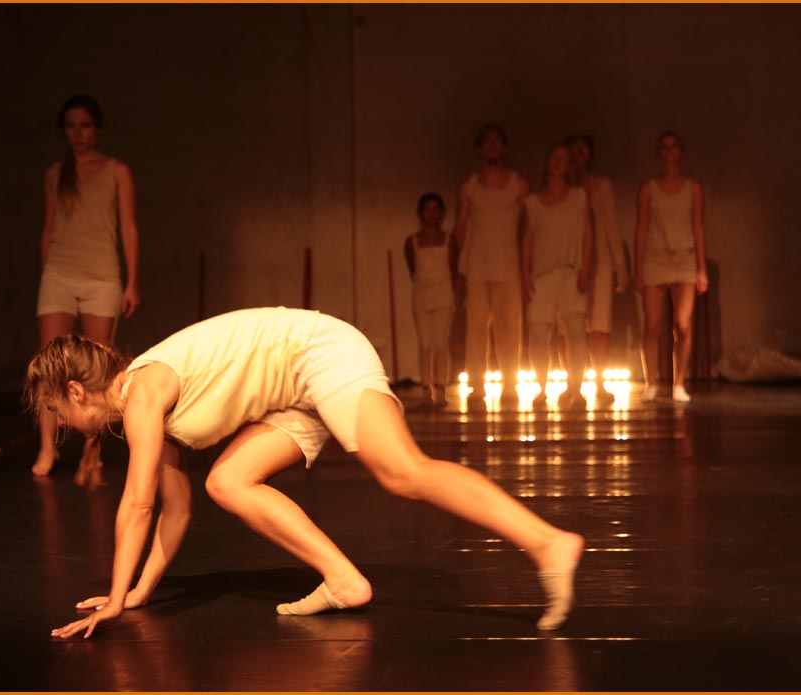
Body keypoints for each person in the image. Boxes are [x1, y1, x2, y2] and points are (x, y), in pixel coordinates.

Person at [29, 307, 584, 639]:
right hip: (291, 397)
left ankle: (547, 542)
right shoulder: (147, 412)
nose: (61, 423)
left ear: (75, 390)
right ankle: (343, 580)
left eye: (56, 410)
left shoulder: (144, 391)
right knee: (227, 482)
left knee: (402, 471)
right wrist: (138, 590)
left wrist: (115, 600)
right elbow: (175, 512)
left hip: (319, 354)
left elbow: (138, 505)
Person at [33, 95, 142, 483]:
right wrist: (47, 274)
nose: (78, 134)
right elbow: (49, 228)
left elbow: (128, 227)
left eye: (85, 126)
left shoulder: (116, 171)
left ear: (97, 130)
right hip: (60, 274)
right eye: (71, 126)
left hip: (101, 276)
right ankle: (47, 446)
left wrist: (131, 282)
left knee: (98, 368)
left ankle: (91, 450)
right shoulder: (54, 174)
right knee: (50, 365)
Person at [454, 124, 529, 408]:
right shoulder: (470, 186)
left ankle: (510, 384)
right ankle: (476, 385)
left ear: (505, 148)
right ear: (479, 149)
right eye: (487, 141)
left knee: (509, 328)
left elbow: (528, 227)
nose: (492, 145)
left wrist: (527, 266)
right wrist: (457, 267)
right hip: (477, 265)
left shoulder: (518, 185)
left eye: (497, 140)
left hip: (508, 264)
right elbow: (461, 227)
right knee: (476, 328)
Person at [633, 132, 707, 403]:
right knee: (652, 325)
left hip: (684, 259)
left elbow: (698, 227)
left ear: (681, 152)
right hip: (655, 259)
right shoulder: (648, 188)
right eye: (664, 147)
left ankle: (678, 383)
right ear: (658, 153)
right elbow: (641, 227)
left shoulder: (693, 188)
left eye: (674, 146)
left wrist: (701, 269)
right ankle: (650, 383)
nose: (669, 151)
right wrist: (638, 268)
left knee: (683, 325)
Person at [521, 143, 593, 409]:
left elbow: (587, 235)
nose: (557, 163)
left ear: (569, 166)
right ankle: (541, 389)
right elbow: (527, 239)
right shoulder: (532, 203)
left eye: (563, 159)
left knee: (576, 332)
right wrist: (525, 275)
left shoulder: (578, 197)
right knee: (538, 333)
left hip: (570, 271)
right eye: (553, 158)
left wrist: (585, 268)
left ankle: (576, 389)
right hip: (542, 275)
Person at [566, 134, 628, 404]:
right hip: (568, 262)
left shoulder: (602, 186)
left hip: (600, 261)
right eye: (574, 147)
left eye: (584, 147)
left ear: (590, 154)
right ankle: (572, 385)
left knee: (600, 325)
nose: (579, 151)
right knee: (567, 326)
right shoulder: (561, 188)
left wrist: (620, 266)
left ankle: (600, 383)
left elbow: (611, 225)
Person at [403, 193, 461, 406]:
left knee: (440, 343)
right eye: (427, 209)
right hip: (421, 294)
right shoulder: (412, 241)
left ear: (442, 213)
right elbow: (413, 269)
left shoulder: (449, 240)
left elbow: (453, 269)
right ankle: (426, 387)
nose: (432, 214)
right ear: (420, 213)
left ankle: (441, 387)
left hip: (443, 293)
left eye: (436, 209)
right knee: (425, 344)